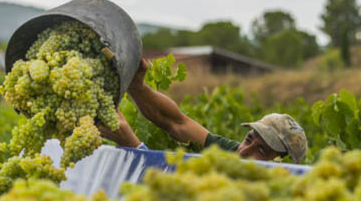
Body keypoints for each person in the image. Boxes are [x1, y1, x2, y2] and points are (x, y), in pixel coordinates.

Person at [98, 59, 308, 163]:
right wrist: (137, 87)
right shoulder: (232, 153)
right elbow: (177, 123)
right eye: (248, 139)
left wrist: (132, 146)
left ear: (282, 164)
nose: (244, 151)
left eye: (261, 151)